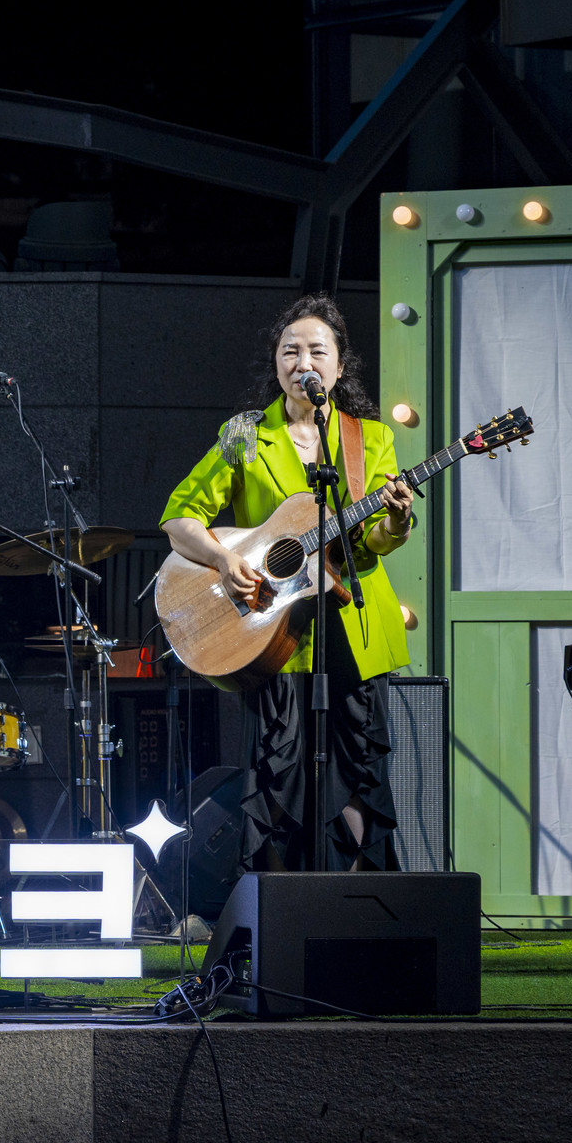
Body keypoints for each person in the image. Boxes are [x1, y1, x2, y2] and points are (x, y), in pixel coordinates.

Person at [159, 293, 415, 872]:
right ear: (276, 364)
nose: (303, 361)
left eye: (317, 351)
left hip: (353, 629)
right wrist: (223, 559)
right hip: (272, 630)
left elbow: (370, 542)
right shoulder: (245, 433)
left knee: (358, 773)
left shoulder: (370, 438)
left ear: (339, 366)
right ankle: (279, 908)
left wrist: (396, 522)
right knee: (278, 778)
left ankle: (356, 905)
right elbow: (179, 518)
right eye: (289, 350)